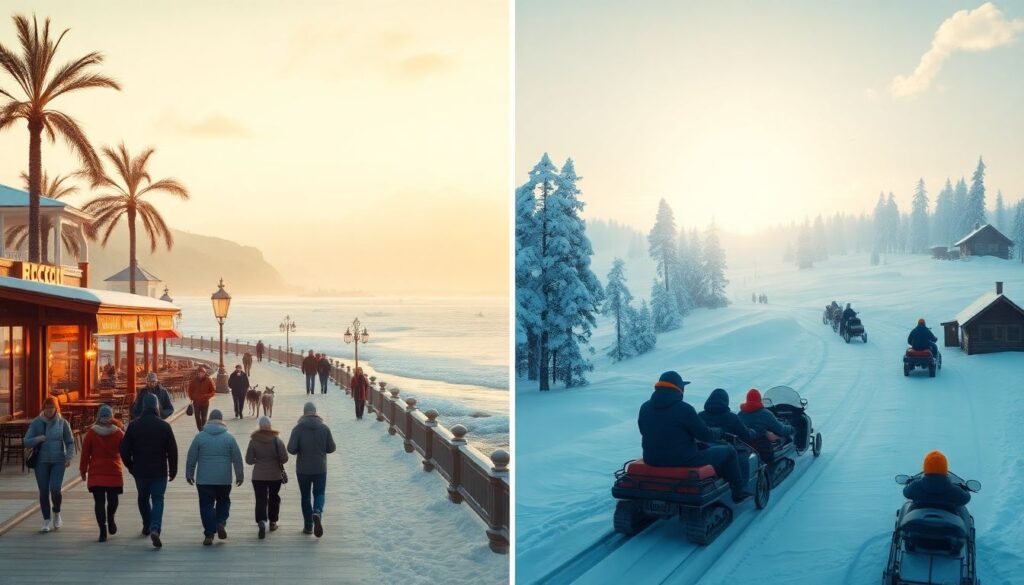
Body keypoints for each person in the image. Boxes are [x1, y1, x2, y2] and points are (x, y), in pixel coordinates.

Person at [637, 372, 747, 502]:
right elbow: (705, 435)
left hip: (651, 459)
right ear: (679, 388)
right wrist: (720, 431)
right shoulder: (684, 409)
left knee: (701, 447)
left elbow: (644, 430)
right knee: (729, 451)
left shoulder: (645, 407)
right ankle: (738, 491)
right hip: (683, 460)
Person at [120, 393, 177, 548]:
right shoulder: (164, 426)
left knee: (143, 498)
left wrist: (130, 466)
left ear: (143, 406)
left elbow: (124, 449)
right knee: (158, 499)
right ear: (157, 406)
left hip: (140, 470)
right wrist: (173, 469)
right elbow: (172, 450)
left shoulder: (133, 426)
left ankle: (146, 524)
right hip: (159, 470)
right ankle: (155, 528)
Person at [185, 409, 244, 546]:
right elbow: (237, 458)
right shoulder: (229, 437)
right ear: (222, 420)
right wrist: (239, 475)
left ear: (209, 420)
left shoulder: (200, 437)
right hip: (224, 478)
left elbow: (191, 456)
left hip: (204, 479)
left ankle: (209, 534)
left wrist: (189, 473)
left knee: (206, 504)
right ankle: (220, 522)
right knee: (223, 501)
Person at [24, 396, 75, 533]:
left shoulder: (63, 423)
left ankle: (56, 513)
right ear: (43, 408)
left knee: (55, 489)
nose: (49, 410)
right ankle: (46, 519)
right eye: (46, 408)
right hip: (41, 462)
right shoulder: (36, 422)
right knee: (44, 491)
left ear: (56, 408)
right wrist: (38, 438)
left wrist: (68, 457)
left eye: (51, 408)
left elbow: (70, 442)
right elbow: (26, 441)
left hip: (58, 461)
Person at [288, 402, 336, 537]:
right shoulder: (324, 428)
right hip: (320, 467)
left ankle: (308, 526)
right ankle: (317, 512)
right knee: (319, 493)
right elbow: (331, 448)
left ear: (304, 413)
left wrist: (299, 448)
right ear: (315, 412)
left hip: (303, 469)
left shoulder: (298, 429)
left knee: (305, 496)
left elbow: (291, 449)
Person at [79, 404, 124, 542]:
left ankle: (103, 529)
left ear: (98, 417)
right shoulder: (118, 433)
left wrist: (83, 470)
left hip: (96, 472)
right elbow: (126, 450)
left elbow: (85, 453)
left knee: (99, 502)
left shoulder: (92, 433)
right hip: (114, 470)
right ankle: (111, 519)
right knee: (113, 499)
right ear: (111, 417)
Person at [245, 416, 289, 539]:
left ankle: (261, 521)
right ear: (270, 426)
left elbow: (248, 460)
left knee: (260, 499)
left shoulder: (253, 440)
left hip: (258, 475)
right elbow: (284, 458)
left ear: (259, 426)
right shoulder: (277, 440)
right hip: (275, 475)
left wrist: (257, 460)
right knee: (274, 498)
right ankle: (273, 522)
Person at [903, 450, 970, 513]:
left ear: (926, 468)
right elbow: (966, 498)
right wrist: (965, 489)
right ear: (945, 469)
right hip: (947, 523)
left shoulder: (915, 486)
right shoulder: (955, 491)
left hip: (917, 523)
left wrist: (909, 482)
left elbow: (906, 492)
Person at [187, 366, 217, 430]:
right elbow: (190, 390)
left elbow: (213, 391)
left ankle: (203, 429)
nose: (201, 374)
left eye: (202, 373)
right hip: (196, 402)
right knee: (197, 416)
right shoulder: (194, 380)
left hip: (205, 402)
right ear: (197, 373)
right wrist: (192, 397)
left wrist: (207, 396)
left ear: (205, 373)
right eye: (200, 373)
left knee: (204, 417)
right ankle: (200, 429)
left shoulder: (209, 380)